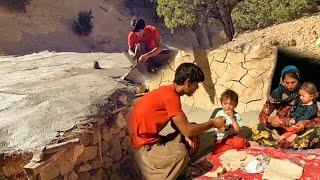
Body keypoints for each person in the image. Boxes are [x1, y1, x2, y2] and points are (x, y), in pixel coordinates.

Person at [129, 63, 226, 179]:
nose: (197, 88)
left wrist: (188, 135)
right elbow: (187, 130)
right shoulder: (170, 97)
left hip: (153, 141)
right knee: (180, 153)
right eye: (196, 84)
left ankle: (180, 167)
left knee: (193, 132)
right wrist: (213, 123)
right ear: (188, 82)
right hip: (145, 150)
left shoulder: (169, 92)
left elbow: (179, 124)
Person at [252, 65, 320, 149]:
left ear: (298, 80)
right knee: (257, 127)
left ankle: (289, 143)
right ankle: (285, 143)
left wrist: (305, 123)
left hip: (300, 131)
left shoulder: (306, 92)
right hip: (281, 129)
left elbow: (318, 118)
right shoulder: (276, 93)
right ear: (282, 80)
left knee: (317, 132)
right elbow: (263, 114)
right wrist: (270, 119)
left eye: (293, 82)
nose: (290, 86)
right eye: (287, 83)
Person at [210, 89, 251, 154]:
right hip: (220, 138)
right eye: (225, 103)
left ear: (235, 105)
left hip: (231, 138)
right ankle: (229, 148)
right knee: (216, 150)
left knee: (240, 143)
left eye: (231, 104)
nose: (228, 106)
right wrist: (220, 129)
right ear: (222, 103)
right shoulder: (218, 113)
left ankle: (230, 147)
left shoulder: (236, 115)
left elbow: (237, 130)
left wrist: (232, 118)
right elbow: (214, 126)